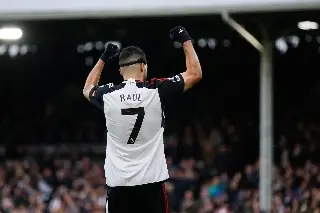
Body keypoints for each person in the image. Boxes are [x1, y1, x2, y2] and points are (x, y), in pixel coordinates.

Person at [83, 26, 202, 213]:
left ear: (121, 71)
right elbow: (195, 73)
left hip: (119, 185)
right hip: (150, 185)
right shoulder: (156, 90)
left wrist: (103, 59)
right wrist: (185, 40)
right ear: (143, 67)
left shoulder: (108, 94)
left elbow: (87, 88)